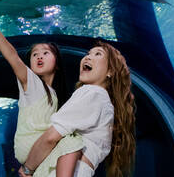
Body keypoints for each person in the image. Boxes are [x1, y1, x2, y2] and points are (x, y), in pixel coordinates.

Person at [0, 13, 84, 177]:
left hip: (38, 149)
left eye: (45, 53)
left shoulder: (54, 96)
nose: (39, 56)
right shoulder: (32, 83)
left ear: (57, 63)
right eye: (35, 54)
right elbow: (13, 57)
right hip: (33, 146)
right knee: (74, 141)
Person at [18, 41, 136, 177]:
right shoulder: (105, 104)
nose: (87, 57)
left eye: (98, 54)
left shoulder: (92, 93)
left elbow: (50, 138)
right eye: (88, 54)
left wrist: (27, 169)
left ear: (110, 71)